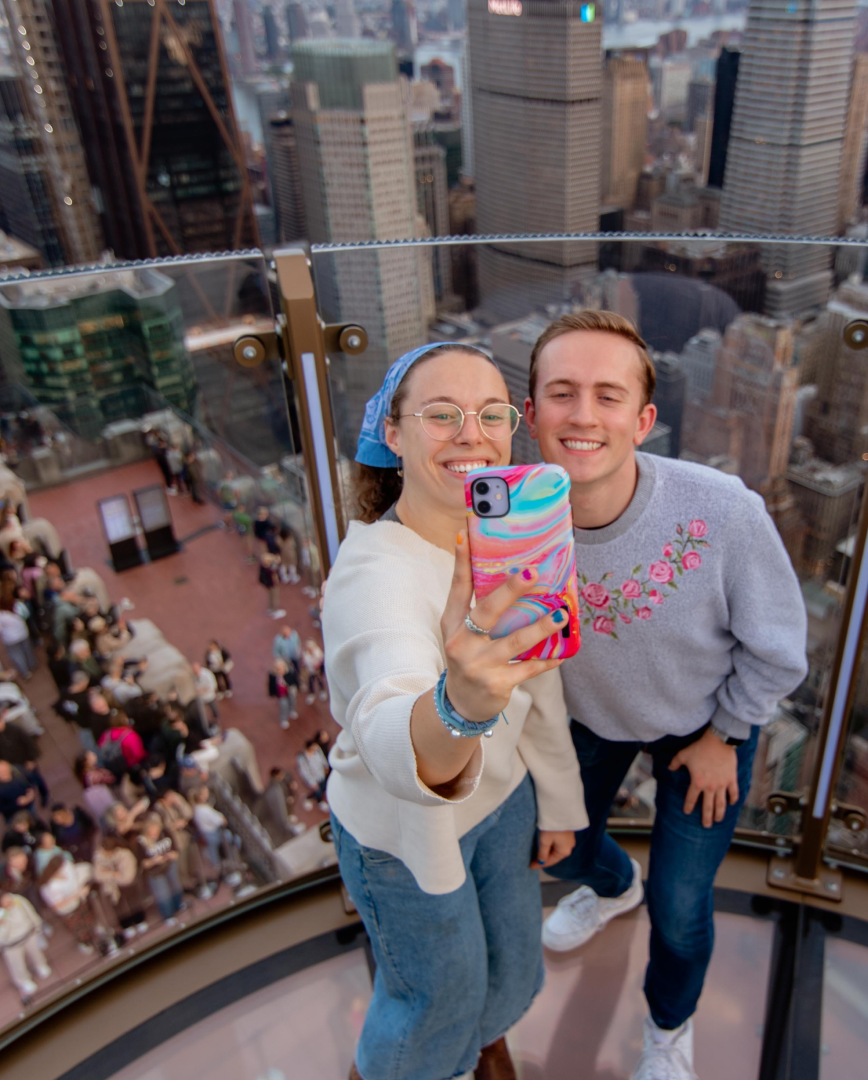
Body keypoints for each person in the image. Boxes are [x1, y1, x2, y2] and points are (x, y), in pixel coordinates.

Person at [522, 311, 808, 1080]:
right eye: (562, 393)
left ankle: (668, 1027)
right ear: (531, 414)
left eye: (608, 396)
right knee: (562, 853)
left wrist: (728, 735)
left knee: (680, 911)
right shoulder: (512, 519)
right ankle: (616, 886)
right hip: (588, 717)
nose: (583, 415)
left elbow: (780, 648)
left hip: (705, 725)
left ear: (644, 421)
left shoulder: (723, 511)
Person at [327, 342, 588, 1080]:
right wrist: (459, 705)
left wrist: (559, 804)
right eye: (441, 414)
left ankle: (482, 1041)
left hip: (504, 805)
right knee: (436, 995)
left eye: (492, 414)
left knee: (511, 960)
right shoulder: (373, 574)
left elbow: (539, 687)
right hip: (404, 835)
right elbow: (389, 724)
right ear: (393, 433)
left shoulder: (509, 548)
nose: (472, 433)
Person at [0, 892, 50, 1001]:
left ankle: (41, 965)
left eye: (8, 898)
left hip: (28, 935)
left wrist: (38, 928)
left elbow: (30, 912)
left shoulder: (18, 901)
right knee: (17, 964)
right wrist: (3, 924)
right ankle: (23, 980)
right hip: (12, 945)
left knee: (36, 952)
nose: (10, 901)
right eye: (5, 901)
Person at [133, 813, 184, 922]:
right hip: (155, 872)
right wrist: (154, 861)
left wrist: (172, 855)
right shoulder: (141, 842)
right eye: (152, 831)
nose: (155, 834)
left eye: (157, 830)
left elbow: (176, 850)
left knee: (176, 886)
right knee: (163, 894)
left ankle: (178, 906)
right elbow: (143, 864)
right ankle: (168, 915)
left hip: (169, 865)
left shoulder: (165, 833)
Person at [0, 595, 38, 681]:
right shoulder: (18, 606)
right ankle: (32, 664)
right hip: (23, 633)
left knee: (16, 655)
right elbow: (26, 614)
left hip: (10, 638)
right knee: (27, 650)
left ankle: (25, 672)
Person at [265, 658, 297, 730]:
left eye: (281, 668)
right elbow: (271, 685)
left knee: (292, 701)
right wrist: (272, 693)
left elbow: (293, 681)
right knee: (283, 705)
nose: (280, 670)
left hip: (289, 692)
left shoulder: (289, 673)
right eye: (278, 669)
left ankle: (292, 711)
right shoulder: (273, 676)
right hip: (281, 694)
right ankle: (284, 719)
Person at [258, 553, 285, 619]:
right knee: (275, 596)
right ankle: (275, 611)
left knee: (270, 595)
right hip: (272, 583)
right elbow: (274, 572)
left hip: (267, 584)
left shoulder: (263, 567)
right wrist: (276, 561)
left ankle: (271, 609)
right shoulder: (269, 569)